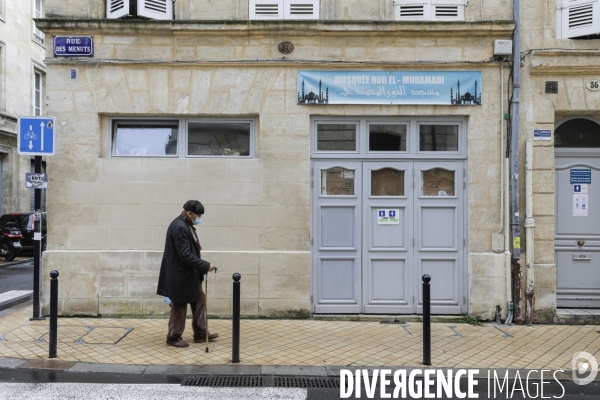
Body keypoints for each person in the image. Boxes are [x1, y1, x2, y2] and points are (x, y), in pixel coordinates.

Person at [156, 200, 218, 348]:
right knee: (179, 305)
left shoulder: (186, 225)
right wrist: (205, 265)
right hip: (180, 275)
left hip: (189, 274)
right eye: (197, 215)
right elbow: (185, 254)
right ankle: (173, 336)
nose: (199, 219)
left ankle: (201, 333)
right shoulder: (180, 227)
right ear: (189, 213)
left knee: (199, 298)